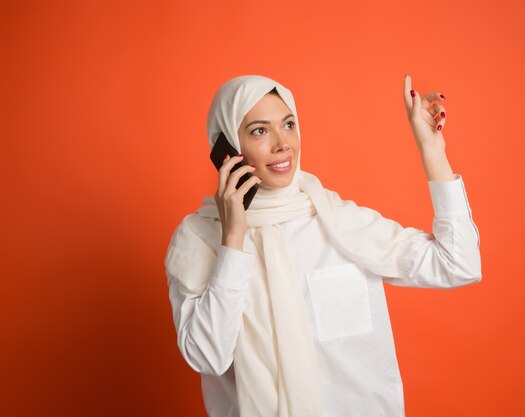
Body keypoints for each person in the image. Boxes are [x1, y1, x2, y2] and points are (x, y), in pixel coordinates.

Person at [164, 74, 482, 417]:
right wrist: (233, 240)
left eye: (288, 124)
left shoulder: (335, 221)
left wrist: (432, 150)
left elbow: (459, 263)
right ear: (226, 147)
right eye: (259, 131)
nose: (282, 143)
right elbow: (208, 356)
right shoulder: (198, 239)